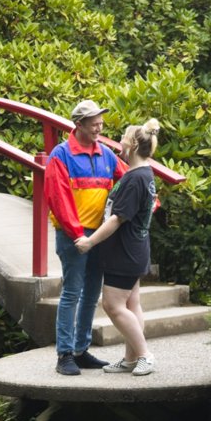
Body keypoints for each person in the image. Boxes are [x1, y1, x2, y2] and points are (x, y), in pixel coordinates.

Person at [44, 100, 127, 376]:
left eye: (101, 122)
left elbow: (128, 178)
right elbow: (58, 198)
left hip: (99, 235)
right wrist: (79, 235)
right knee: (72, 292)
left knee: (91, 292)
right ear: (78, 124)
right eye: (94, 123)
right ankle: (64, 354)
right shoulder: (61, 154)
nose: (99, 127)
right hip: (74, 236)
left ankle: (80, 350)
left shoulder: (105, 153)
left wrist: (149, 197)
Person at [75, 118, 160, 377]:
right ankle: (130, 358)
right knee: (132, 304)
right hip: (134, 248)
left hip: (125, 252)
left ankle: (145, 355)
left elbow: (116, 219)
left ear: (132, 145)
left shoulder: (136, 179)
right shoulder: (142, 173)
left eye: (123, 137)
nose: (119, 141)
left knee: (113, 306)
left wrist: (90, 241)